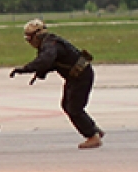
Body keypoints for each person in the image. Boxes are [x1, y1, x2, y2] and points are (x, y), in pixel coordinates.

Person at [10, 19, 103, 148]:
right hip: (75, 77)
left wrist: (25, 69)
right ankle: (92, 129)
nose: (29, 42)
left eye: (29, 38)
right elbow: (51, 63)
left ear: (36, 35)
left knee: (74, 109)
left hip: (81, 76)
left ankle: (92, 136)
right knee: (67, 105)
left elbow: (45, 61)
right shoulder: (49, 43)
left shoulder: (50, 45)